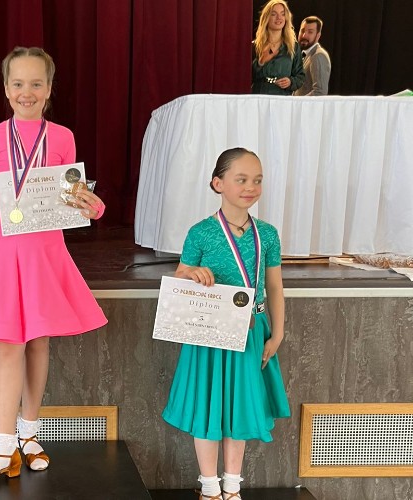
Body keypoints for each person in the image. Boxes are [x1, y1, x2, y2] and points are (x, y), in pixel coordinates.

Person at [0, 46, 108, 488]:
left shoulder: (62, 137)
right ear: (6, 89)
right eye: (18, 83)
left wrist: (93, 207)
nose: (27, 92)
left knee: (38, 343)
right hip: (4, 255)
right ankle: (2, 448)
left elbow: (72, 198)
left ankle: (29, 434)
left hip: (45, 255)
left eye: (36, 83)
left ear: (49, 89)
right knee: (8, 347)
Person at [161, 148, 290, 500]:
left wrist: (277, 332)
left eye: (257, 180)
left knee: (240, 408)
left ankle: (232, 487)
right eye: (241, 179)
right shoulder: (201, 232)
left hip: (252, 331)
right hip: (210, 334)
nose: (251, 187)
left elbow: (275, 286)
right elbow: (180, 275)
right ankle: (209, 487)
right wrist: (193, 274)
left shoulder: (267, 234)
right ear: (218, 183)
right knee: (209, 407)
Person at [252, 0, 304, 95]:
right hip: (260, 96)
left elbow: (300, 76)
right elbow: (244, 76)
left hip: (283, 97)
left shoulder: (293, 46)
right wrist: (261, 62)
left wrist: (290, 82)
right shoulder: (254, 46)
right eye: (273, 14)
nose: (279, 17)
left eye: (282, 14)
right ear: (266, 18)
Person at [294, 16, 331, 96]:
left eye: (310, 32)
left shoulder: (318, 56)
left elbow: (320, 92)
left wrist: (297, 102)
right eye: (302, 31)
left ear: (318, 35)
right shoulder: (304, 55)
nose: (304, 35)